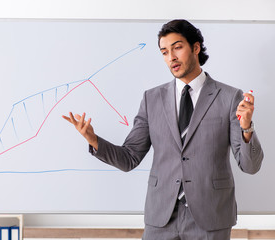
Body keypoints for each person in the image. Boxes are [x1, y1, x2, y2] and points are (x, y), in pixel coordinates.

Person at [62, 19, 264, 240]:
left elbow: (250, 166)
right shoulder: (152, 99)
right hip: (161, 218)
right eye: (165, 52)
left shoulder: (229, 97)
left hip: (211, 217)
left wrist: (246, 128)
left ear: (195, 48)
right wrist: (93, 140)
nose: (171, 57)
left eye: (177, 47)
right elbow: (129, 158)